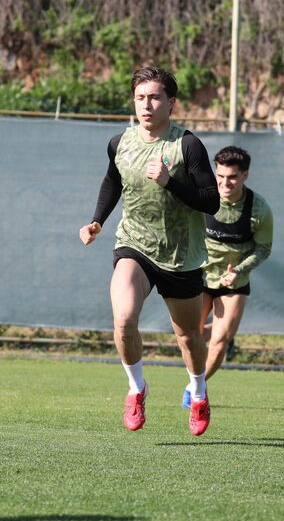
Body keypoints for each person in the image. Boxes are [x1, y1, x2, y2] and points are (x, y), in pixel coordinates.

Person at [79, 66, 219, 436]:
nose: (147, 104)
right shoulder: (119, 142)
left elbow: (212, 202)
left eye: (155, 97)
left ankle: (199, 391)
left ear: (171, 104)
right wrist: (97, 221)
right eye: (140, 97)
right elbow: (113, 181)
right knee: (124, 319)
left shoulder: (187, 145)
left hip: (181, 256)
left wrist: (171, 182)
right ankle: (136, 388)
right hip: (134, 245)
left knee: (189, 337)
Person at [180, 146, 274, 408]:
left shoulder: (259, 210)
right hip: (199, 275)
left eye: (231, 177)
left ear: (244, 175)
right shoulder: (204, 197)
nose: (224, 183)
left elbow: (263, 249)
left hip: (233, 282)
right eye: (220, 176)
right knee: (190, 335)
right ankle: (202, 357)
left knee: (220, 342)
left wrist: (240, 271)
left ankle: (194, 387)